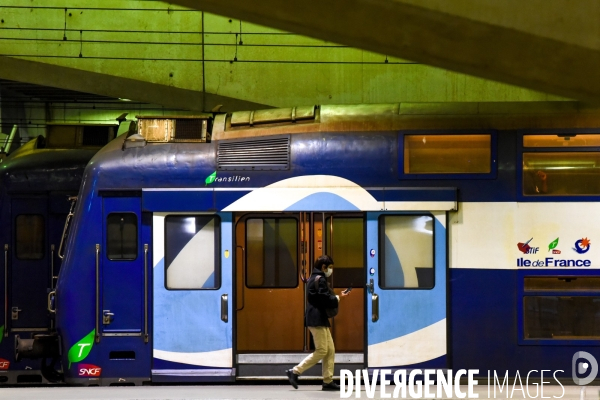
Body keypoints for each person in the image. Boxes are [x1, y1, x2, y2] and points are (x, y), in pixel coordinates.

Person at [285, 255, 350, 391]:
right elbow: (325, 299)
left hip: (319, 318)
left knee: (330, 350)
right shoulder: (319, 280)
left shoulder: (314, 278)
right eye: (330, 268)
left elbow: (322, 297)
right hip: (316, 319)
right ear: (323, 267)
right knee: (322, 350)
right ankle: (295, 371)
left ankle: (328, 381)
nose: (331, 270)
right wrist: (339, 297)